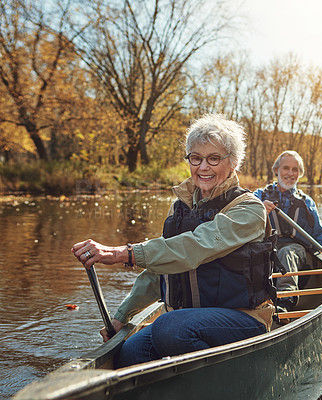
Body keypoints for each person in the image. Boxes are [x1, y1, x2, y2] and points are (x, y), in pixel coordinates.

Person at [72, 114, 279, 368]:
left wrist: (122, 253)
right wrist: (121, 317)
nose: (203, 167)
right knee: (130, 353)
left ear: (233, 162)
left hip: (242, 318)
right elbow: (158, 271)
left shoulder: (248, 209)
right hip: (185, 320)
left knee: (169, 328)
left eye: (214, 158)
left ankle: (222, 379)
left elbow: (196, 246)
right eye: (196, 158)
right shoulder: (179, 208)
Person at [254, 150, 322, 313]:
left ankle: (286, 301)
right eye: (286, 168)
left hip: (296, 251)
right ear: (276, 170)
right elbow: (242, 215)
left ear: (300, 174)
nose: (290, 174)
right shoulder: (259, 196)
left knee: (287, 252)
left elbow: (319, 233)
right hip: (266, 248)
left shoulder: (306, 202)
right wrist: (258, 208)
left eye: (295, 170)